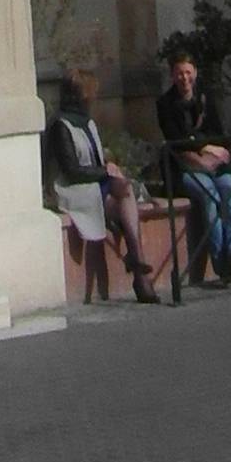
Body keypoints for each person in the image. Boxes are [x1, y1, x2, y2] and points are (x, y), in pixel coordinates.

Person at [43, 70, 160, 306]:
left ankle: (136, 262)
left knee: (124, 189)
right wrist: (105, 172)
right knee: (119, 193)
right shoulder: (61, 126)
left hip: (93, 184)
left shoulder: (88, 123)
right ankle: (139, 272)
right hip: (70, 188)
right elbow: (71, 171)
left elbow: (96, 162)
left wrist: (108, 166)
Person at [155, 46, 231, 286]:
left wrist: (203, 147)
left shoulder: (206, 99)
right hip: (184, 168)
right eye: (179, 73)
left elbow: (221, 137)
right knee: (209, 194)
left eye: (188, 72)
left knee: (230, 187)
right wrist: (205, 148)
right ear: (172, 75)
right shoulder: (165, 104)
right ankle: (221, 260)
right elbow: (176, 140)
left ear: (195, 73)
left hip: (214, 165)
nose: (184, 78)